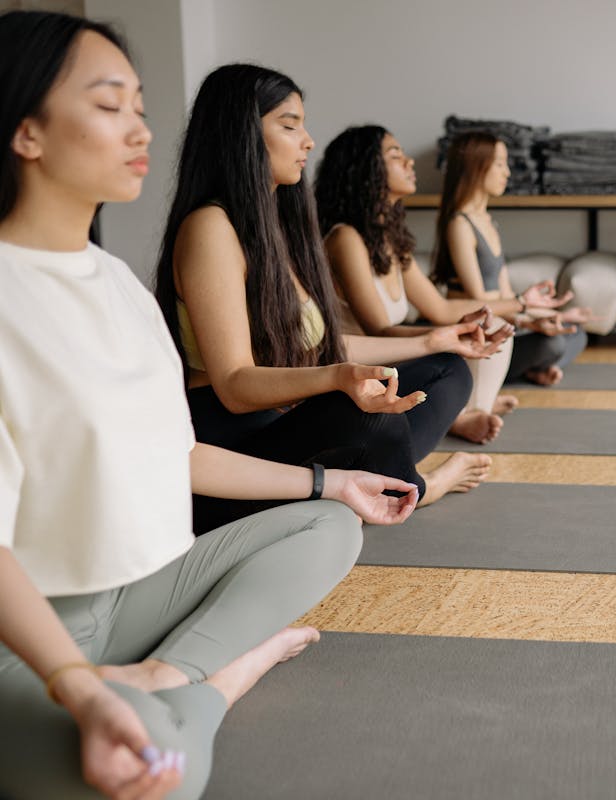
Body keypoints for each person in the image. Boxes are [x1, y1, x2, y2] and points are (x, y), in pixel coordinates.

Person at [0, 12, 419, 799]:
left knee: (330, 523)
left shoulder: (115, 284)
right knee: (153, 772)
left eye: (140, 106)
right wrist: (77, 685)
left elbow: (178, 456)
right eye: (108, 103)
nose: (139, 127)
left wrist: (333, 485)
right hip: (20, 636)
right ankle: (224, 679)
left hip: (124, 597)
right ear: (26, 133)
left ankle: (168, 672)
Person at [155, 66, 504, 532]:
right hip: (233, 448)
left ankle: (377, 479)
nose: (308, 141)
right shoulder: (210, 228)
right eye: (290, 124)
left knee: (447, 368)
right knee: (369, 420)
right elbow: (235, 387)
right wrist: (337, 378)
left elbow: (328, 346)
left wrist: (433, 339)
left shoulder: (277, 227)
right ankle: (416, 487)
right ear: (242, 133)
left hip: (284, 422)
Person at [315, 125, 571, 443]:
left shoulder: (392, 241)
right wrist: (443, 338)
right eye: (396, 155)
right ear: (364, 170)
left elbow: (441, 307)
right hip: (363, 368)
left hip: (394, 357)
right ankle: (466, 413)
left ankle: (468, 410)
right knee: (453, 364)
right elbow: (377, 331)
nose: (409, 162)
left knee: (492, 333)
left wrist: (521, 303)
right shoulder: (345, 238)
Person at [432, 132, 591, 389]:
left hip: (503, 321)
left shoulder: (489, 222)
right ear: (476, 167)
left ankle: (531, 369)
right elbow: (480, 301)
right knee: (552, 343)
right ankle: (530, 369)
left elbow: (507, 294)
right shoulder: (459, 224)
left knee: (577, 333)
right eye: (499, 164)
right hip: (481, 332)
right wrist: (531, 320)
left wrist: (554, 315)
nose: (506, 172)